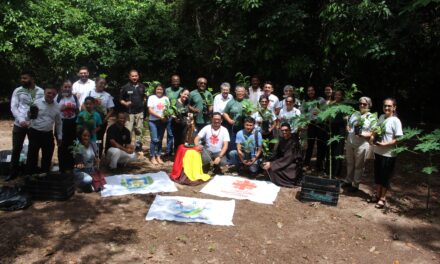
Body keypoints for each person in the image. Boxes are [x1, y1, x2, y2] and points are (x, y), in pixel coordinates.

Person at [8, 70, 44, 180]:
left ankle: (30, 171)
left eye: (25, 78)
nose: (22, 80)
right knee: (16, 148)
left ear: (32, 79)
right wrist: (21, 120)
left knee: (33, 149)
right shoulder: (17, 91)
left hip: (34, 125)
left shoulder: (41, 92)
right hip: (19, 124)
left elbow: (42, 109)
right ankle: (13, 172)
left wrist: (30, 122)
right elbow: (13, 107)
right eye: (22, 78)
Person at [371, 98, 403, 209]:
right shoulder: (381, 117)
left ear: (394, 107)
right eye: (385, 106)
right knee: (378, 174)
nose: (387, 108)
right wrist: (372, 136)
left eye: (389, 106)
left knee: (385, 176)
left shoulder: (396, 121)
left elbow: (399, 138)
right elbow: (376, 130)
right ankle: (377, 194)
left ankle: (382, 198)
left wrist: (386, 144)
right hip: (378, 151)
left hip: (389, 154)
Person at [26, 85, 62, 174]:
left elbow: (58, 123)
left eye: (53, 93)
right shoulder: (36, 103)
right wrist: (28, 116)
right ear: (45, 93)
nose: (51, 95)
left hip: (48, 134)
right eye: (49, 93)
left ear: (56, 94)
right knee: (32, 155)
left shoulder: (57, 106)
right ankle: (31, 175)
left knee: (47, 155)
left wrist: (60, 136)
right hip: (35, 133)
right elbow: (28, 118)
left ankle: (44, 174)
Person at [343, 96, 375, 192]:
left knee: (359, 165)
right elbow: (350, 125)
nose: (361, 105)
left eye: (364, 104)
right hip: (350, 141)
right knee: (349, 162)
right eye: (360, 103)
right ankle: (348, 180)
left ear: (369, 105)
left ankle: (355, 184)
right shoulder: (355, 113)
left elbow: (374, 133)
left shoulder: (372, 117)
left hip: (362, 144)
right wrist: (348, 127)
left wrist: (363, 134)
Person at [262, 123, 303, 187]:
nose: (284, 132)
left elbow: (288, 158)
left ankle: (289, 182)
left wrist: (272, 164)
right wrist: (268, 159)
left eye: (286, 130)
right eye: (282, 130)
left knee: (273, 169)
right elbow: (277, 153)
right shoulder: (282, 140)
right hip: (283, 161)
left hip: (292, 164)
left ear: (290, 130)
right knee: (267, 164)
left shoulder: (294, 142)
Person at [56, 80, 80, 172]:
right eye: (65, 87)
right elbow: (53, 110)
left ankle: (70, 166)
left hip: (72, 123)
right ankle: (62, 167)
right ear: (62, 87)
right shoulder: (57, 97)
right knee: (61, 145)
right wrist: (62, 108)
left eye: (69, 87)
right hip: (61, 123)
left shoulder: (74, 97)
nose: (67, 88)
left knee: (72, 145)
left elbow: (78, 110)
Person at [87, 77, 115, 157]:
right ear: (96, 83)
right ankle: (89, 156)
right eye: (100, 83)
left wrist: (105, 119)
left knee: (99, 139)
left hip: (102, 121)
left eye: (104, 83)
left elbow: (111, 110)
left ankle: (98, 157)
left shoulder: (107, 95)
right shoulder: (89, 93)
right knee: (89, 137)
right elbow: (84, 105)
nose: (102, 85)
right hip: (90, 120)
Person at [302, 85, 327, 172]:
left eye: (312, 90)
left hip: (320, 124)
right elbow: (303, 112)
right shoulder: (306, 101)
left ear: (315, 91)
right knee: (310, 145)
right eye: (309, 91)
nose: (310, 92)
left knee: (320, 145)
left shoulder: (321, 100)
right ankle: (306, 164)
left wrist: (320, 113)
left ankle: (319, 166)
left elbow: (326, 111)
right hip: (311, 124)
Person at [120, 69, 146, 145]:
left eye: (136, 76)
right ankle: (127, 146)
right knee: (128, 130)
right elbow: (120, 99)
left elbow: (144, 97)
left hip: (139, 112)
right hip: (129, 113)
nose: (134, 77)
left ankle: (138, 147)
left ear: (138, 76)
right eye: (132, 76)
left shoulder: (142, 86)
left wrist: (144, 100)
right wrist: (125, 103)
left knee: (139, 130)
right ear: (129, 77)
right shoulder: (125, 87)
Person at [325, 89, 347, 177]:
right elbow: (327, 117)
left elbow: (346, 118)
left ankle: (336, 172)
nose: (337, 96)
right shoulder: (331, 104)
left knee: (338, 151)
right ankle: (328, 171)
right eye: (336, 95)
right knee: (330, 150)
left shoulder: (344, 105)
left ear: (342, 96)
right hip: (331, 129)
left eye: (339, 95)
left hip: (340, 130)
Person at [147, 83, 170, 165]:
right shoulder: (151, 97)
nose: (159, 91)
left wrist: (166, 117)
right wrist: (160, 117)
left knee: (160, 140)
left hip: (162, 122)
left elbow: (168, 110)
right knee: (154, 139)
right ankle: (152, 156)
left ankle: (158, 156)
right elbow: (150, 110)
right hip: (153, 121)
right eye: (158, 89)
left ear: (163, 90)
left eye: (161, 89)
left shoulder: (166, 98)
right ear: (155, 90)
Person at [223, 85, 247, 151]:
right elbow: (225, 113)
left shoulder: (248, 102)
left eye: (242, 91)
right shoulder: (231, 102)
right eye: (239, 91)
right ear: (235, 92)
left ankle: (243, 159)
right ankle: (231, 158)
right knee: (232, 144)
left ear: (245, 92)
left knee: (243, 145)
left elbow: (252, 113)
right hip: (233, 128)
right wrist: (229, 120)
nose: (240, 93)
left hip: (244, 128)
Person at [73, 128, 97, 192]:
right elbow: (78, 162)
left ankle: (87, 186)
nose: (86, 137)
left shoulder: (93, 144)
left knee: (99, 183)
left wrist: (96, 161)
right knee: (88, 179)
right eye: (84, 135)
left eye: (88, 136)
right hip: (81, 171)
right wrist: (79, 164)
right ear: (80, 136)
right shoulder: (77, 147)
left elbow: (95, 158)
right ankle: (76, 184)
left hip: (91, 170)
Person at [165, 74, 184, 156]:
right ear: (171, 81)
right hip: (170, 114)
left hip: (179, 115)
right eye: (174, 81)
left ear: (179, 81)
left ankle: (177, 151)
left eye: (177, 81)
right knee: (170, 134)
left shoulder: (182, 90)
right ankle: (168, 151)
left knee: (179, 134)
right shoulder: (167, 90)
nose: (176, 82)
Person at [171, 88, 190, 153]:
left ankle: (181, 155)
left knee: (183, 140)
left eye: (187, 95)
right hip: (176, 124)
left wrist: (189, 118)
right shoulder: (175, 102)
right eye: (185, 94)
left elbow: (187, 113)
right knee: (177, 140)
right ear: (181, 93)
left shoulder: (186, 103)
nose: (186, 96)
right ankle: (176, 156)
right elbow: (170, 113)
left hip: (185, 125)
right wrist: (175, 118)